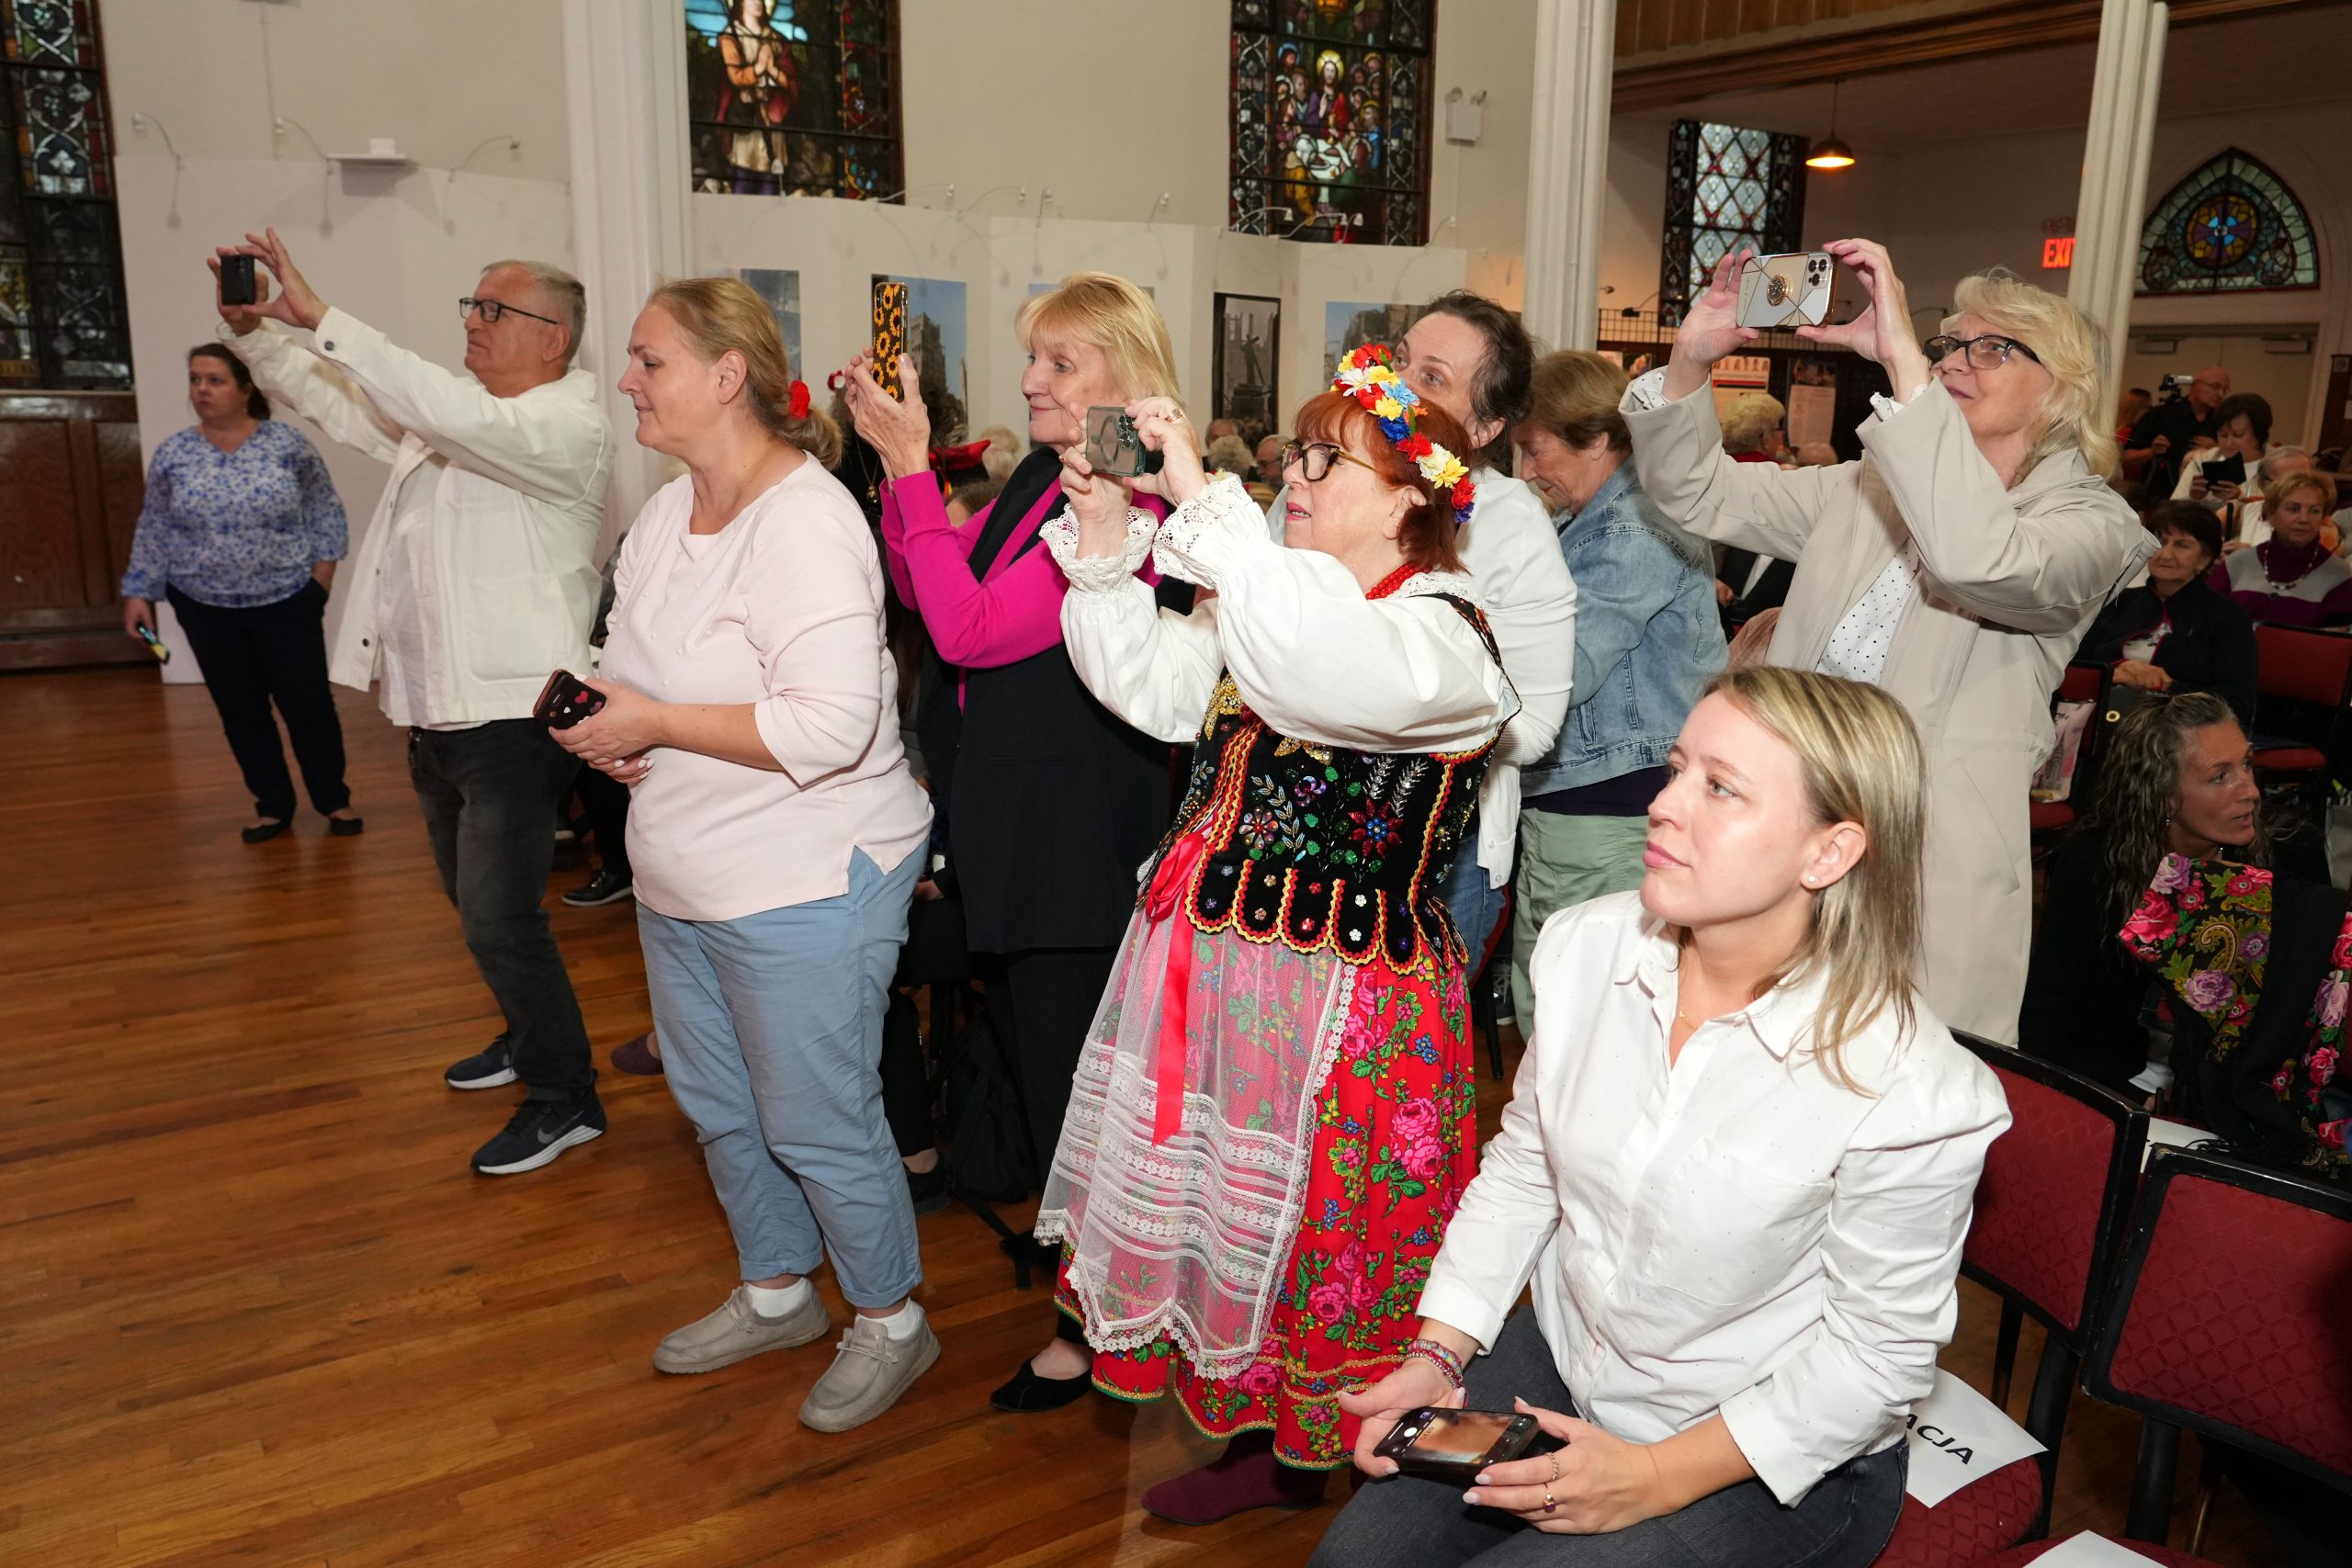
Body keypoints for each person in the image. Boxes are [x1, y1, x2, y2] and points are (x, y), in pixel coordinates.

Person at [1315, 667, 2008, 1568]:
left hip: (1761, 1443)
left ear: (1828, 853)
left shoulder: (1913, 1088)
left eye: (1720, 788)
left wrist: (1653, 1476)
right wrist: (1438, 1354)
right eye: (1677, 769)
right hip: (1566, 1359)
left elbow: (1875, 1361)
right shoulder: (1585, 948)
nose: (1663, 804)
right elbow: (1526, 1170)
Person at [1029, 363, 1507, 1524]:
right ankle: (1268, 1448)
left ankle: (1364, 1465)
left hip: (1344, 998)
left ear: (1409, 499)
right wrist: (1108, 544)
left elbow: (1314, 675)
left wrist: (1202, 499)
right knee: (1233, 1225)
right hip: (1218, 970)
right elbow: (1154, 691)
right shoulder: (1275, 598)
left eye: (1324, 459)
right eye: (1294, 453)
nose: (1294, 476)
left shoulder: (1442, 639)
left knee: (1326, 1238)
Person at [554, 276, 937, 1430]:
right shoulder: (669, 512)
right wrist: (612, 726)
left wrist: (657, 724)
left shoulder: (806, 524)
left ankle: (892, 1321)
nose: (627, 381)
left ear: (728, 377)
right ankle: (778, 1292)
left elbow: (833, 727)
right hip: (686, 868)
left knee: (817, 1119)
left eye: (649, 360)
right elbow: (635, 667)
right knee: (719, 1104)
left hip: (804, 876)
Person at [1623, 242, 2151, 1045]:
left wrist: (1905, 362)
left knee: (1894, 1068)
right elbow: (1696, 491)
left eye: (1994, 347)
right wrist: (1691, 360)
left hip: (1928, 846)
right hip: (1792, 819)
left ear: (2063, 387)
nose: (1955, 360)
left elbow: (1980, 558)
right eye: (1949, 343)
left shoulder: (2091, 522)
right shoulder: (1869, 488)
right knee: (1757, 1043)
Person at [214, 228, 614, 1175]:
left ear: (552, 337)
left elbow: (422, 398)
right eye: (471, 305)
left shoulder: (564, 429)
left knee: (499, 918)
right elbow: (341, 401)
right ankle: (527, 1033)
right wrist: (257, 335)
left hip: (512, 718)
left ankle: (566, 1096)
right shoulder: (458, 422)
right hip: (437, 711)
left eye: (493, 309)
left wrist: (323, 314)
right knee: (471, 903)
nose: (472, 321)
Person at [840, 272, 1178, 1207]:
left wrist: (914, 466)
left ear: (1128, 376)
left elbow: (969, 631)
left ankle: (1098, 1292)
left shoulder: (1129, 501)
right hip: (1015, 826)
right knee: (1047, 1085)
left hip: (1070, 847)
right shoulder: (1044, 472)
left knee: (1076, 1106)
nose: (1031, 378)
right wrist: (898, 472)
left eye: (1060, 362)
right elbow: (925, 585)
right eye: (1033, 357)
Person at [1270, 292, 1577, 975]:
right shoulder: (1316, 477)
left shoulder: (1511, 525)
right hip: (1291, 819)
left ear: (1487, 427)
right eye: (1400, 360)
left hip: (1437, 843)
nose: (1399, 387)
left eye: (1433, 378)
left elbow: (1534, 721)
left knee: (1392, 1034)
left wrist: (1415, 717)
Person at [1510, 351, 1724, 1032]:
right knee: (1565, 1007)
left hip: (1604, 808)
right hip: (1591, 799)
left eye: (1536, 449)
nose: (1527, 470)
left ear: (1598, 438)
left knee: (1577, 1019)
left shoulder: (1630, 525)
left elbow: (1564, 672)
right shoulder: (1601, 517)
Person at [119, 343, 358, 843]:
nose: (201, 390)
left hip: (287, 600)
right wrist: (139, 591)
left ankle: (333, 800)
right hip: (204, 606)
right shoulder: (175, 454)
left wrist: (321, 580)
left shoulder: (287, 445)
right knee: (242, 711)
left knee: (308, 706)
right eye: (195, 380)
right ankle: (272, 807)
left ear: (246, 388)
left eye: (215, 380)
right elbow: (155, 525)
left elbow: (324, 509)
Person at [2020, 694, 2266, 1097]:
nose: (2250, 790)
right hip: (2116, 1086)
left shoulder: (2285, 857)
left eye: (2247, 764)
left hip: (2235, 1098)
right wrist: (2126, 1102)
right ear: (2163, 792)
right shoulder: (2096, 862)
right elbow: (2049, 1016)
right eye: (2220, 776)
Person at [2077, 502, 2257, 723]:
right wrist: (2114, 672)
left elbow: (2237, 701)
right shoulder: (2118, 601)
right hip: (2098, 714)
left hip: (2180, 725)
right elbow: (2073, 667)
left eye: (2182, 545)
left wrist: (2167, 686)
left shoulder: (2228, 616)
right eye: (2160, 542)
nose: (2166, 554)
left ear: (2205, 558)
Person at [2215, 467, 2352, 626]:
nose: (2304, 519)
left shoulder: (2338, 575)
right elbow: (2205, 620)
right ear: (2271, 514)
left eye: (2315, 511)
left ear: (2323, 518)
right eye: (2293, 509)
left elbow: (2333, 638)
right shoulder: (2237, 563)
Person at [2125, 365, 2229, 502]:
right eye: (2215, 387)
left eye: (2225, 389)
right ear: (2195, 385)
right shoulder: (2160, 415)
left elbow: (2238, 466)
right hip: (2159, 500)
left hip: (2205, 503)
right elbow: (2126, 459)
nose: (2221, 394)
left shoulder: (2224, 423)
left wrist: (2216, 450)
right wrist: (2152, 452)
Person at [2173, 391, 2271, 507]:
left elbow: (2280, 511)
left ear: (2259, 436)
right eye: (2223, 435)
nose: (2229, 443)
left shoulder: (2279, 466)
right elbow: (2173, 510)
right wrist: (2194, 498)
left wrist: (2240, 498)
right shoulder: (2201, 461)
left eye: (2238, 435)